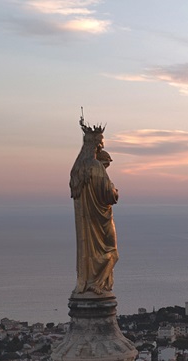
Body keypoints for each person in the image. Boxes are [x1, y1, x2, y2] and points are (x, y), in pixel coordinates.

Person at [70, 117, 119, 296]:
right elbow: (109, 195)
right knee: (112, 253)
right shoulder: (96, 167)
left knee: (93, 250)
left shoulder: (77, 169)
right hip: (101, 218)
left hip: (87, 219)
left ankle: (92, 280)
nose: (102, 147)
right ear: (96, 145)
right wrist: (115, 192)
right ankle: (98, 283)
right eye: (101, 144)